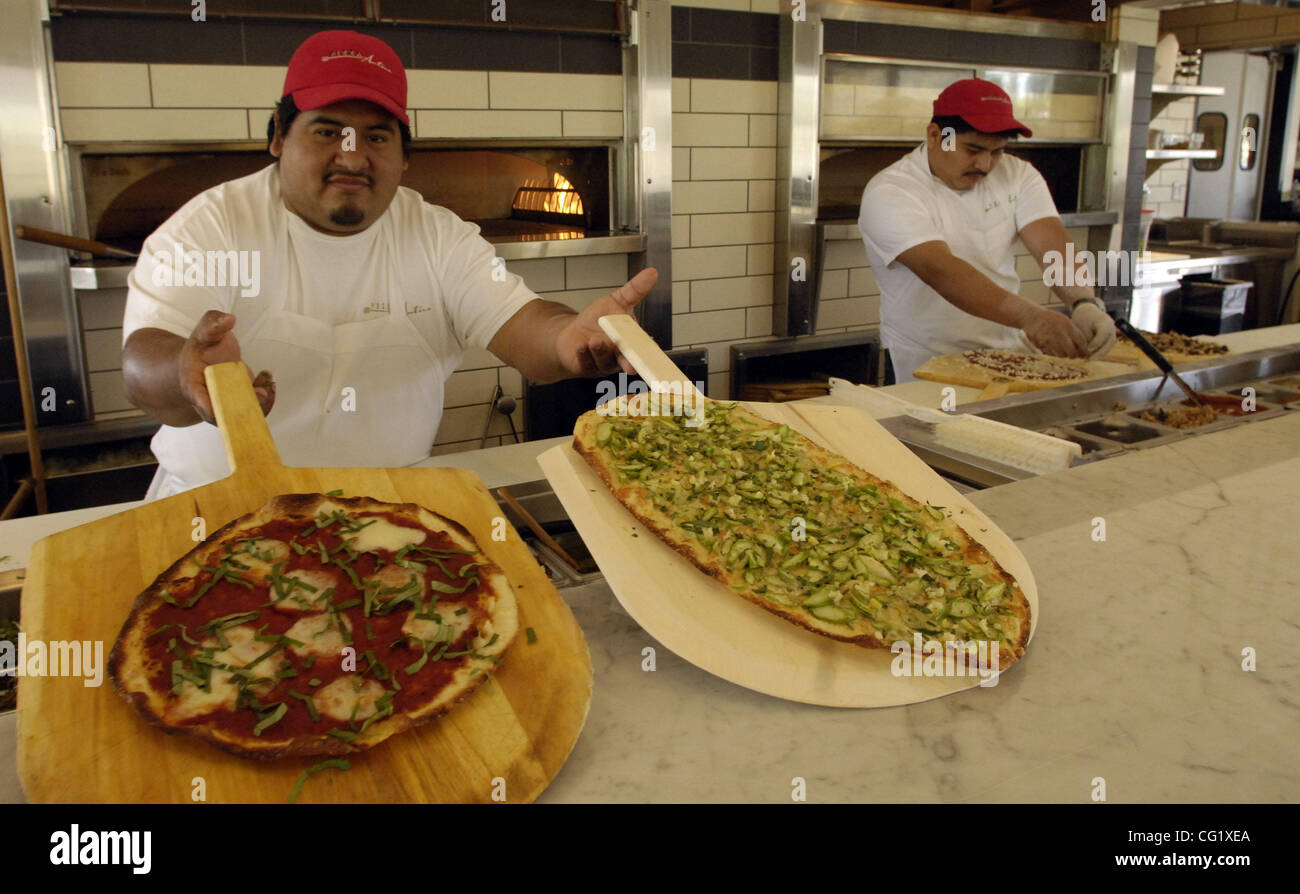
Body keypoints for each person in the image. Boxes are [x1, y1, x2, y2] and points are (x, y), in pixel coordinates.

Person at [122, 30, 655, 499]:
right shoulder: (210, 227)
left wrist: (569, 340)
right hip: (217, 510)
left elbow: (521, 325)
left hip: (386, 517)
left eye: (376, 137)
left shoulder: (437, 236)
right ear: (279, 138)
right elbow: (145, 359)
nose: (353, 157)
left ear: (404, 156)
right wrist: (181, 372)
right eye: (328, 131)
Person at [857, 78, 1116, 383]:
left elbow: (1051, 243)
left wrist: (1083, 302)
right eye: (973, 149)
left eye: (997, 152)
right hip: (924, 360)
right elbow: (942, 271)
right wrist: (1031, 317)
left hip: (1008, 354)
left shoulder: (1017, 174)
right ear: (935, 135)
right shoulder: (892, 191)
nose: (985, 164)